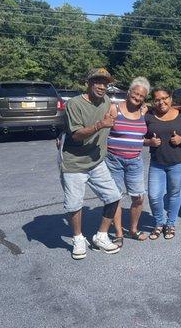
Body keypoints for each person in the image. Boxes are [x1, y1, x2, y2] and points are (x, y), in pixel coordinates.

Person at [59, 67, 122, 260]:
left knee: (113, 196)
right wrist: (100, 125)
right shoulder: (75, 104)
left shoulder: (106, 102)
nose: (102, 86)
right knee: (74, 204)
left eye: (105, 83)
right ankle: (78, 238)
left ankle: (101, 236)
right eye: (97, 82)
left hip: (96, 161)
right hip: (74, 163)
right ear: (89, 83)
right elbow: (76, 135)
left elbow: (120, 110)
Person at [144, 87, 181, 240]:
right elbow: (138, 137)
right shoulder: (148, 116)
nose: (161, 102)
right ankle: (159, 222)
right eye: (157, 99)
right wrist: (149, 141)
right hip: (157, 163)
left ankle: (170, 223)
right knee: (154, 196)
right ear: (153, 101)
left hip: (179, 162)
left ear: (170, 98)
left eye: (164, 98)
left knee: (174, 194)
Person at [104, 77, 150, 246]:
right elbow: (101, 128)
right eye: (135, 93)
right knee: (115, 197)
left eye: (141, 96)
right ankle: (118, 232)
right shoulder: (114, 109)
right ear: (129, 92)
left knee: (138, 197)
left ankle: (133, 229)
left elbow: (164, 108)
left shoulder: (143, 112)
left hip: (135, 161)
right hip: (113, 160)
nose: (137, 98)